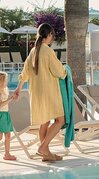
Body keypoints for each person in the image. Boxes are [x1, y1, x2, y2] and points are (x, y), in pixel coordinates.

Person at [13, 23, 67, 162]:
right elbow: (59, 71)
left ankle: (46, 154)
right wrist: (65, 72)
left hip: (36, 93)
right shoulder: (47, 51)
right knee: (60, 120)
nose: (52, 38)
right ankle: (43, 147)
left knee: (44, 122)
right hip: (49, 92)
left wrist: (18, 89)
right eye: (52, 36)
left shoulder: (34, 51)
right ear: (48, 35)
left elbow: (25, 73)